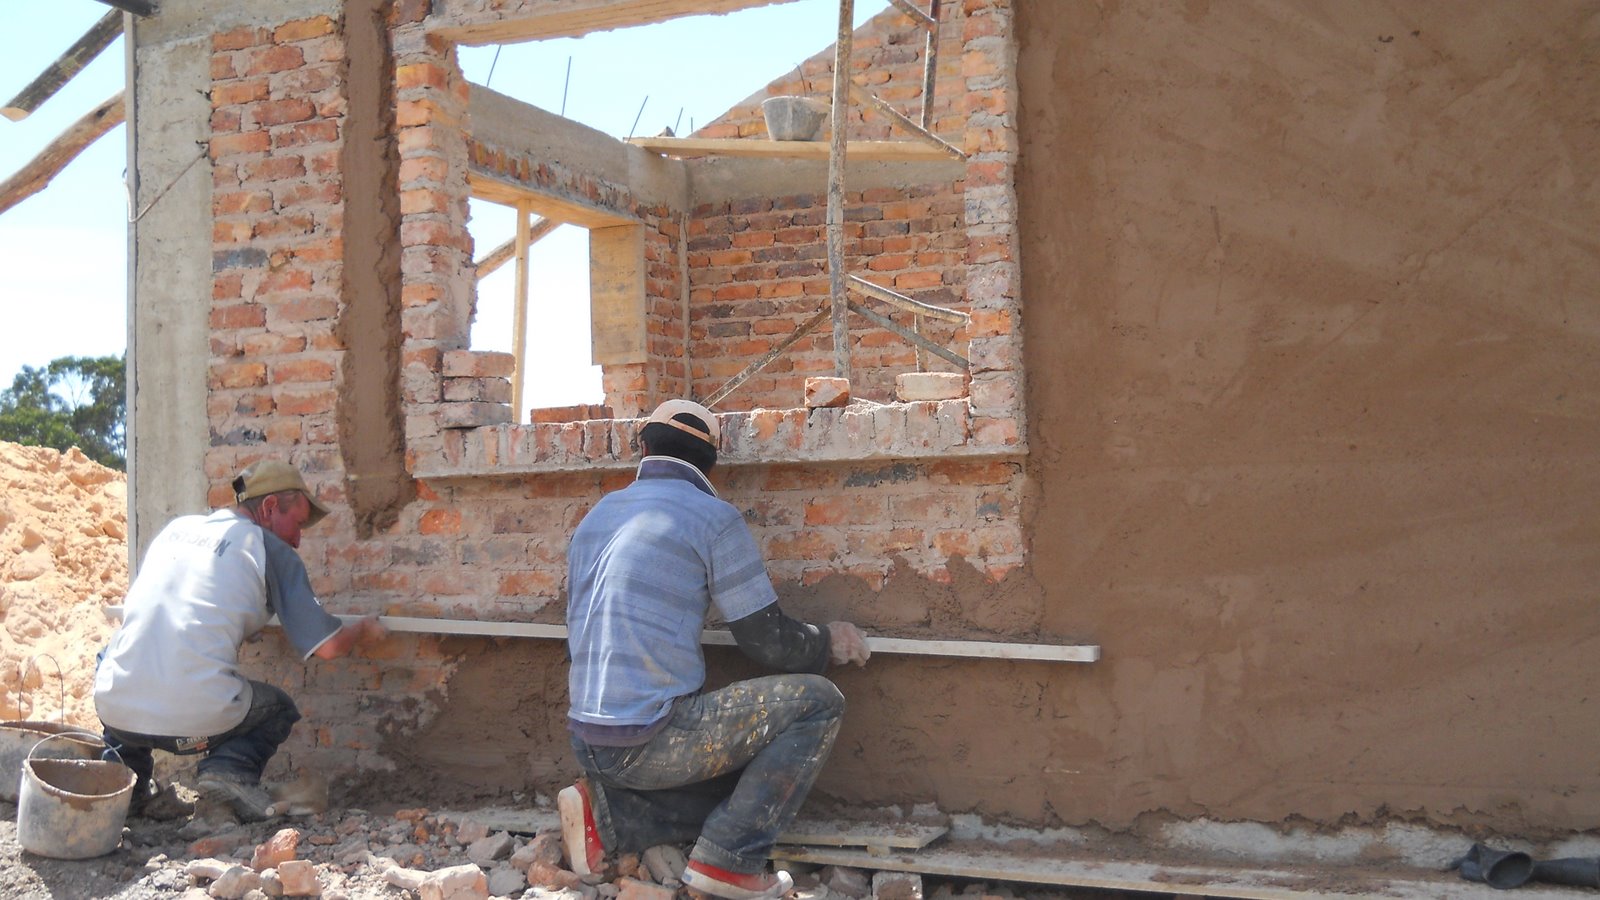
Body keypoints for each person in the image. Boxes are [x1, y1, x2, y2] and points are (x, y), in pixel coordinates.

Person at [560, 399, 872, 900]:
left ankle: (609, 814)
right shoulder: (712, 517)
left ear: (644, 449)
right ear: (711, 463)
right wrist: (826, 641)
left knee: (753, 784)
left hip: (588, 740)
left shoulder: (598, 515)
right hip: (649, 741)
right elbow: (767, 641)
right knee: (818, 703)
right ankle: (730, 860)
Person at [93, 459, 385, 822]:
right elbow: (328, 646)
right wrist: (364, 630)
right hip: (195, 721)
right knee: (278, 709)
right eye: (297, 524)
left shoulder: (176, 530)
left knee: (111, 659)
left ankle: (126, 788)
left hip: (115, 710)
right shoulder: (267, 547)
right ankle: (227, 773)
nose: (297, 540)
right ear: (269, 507)